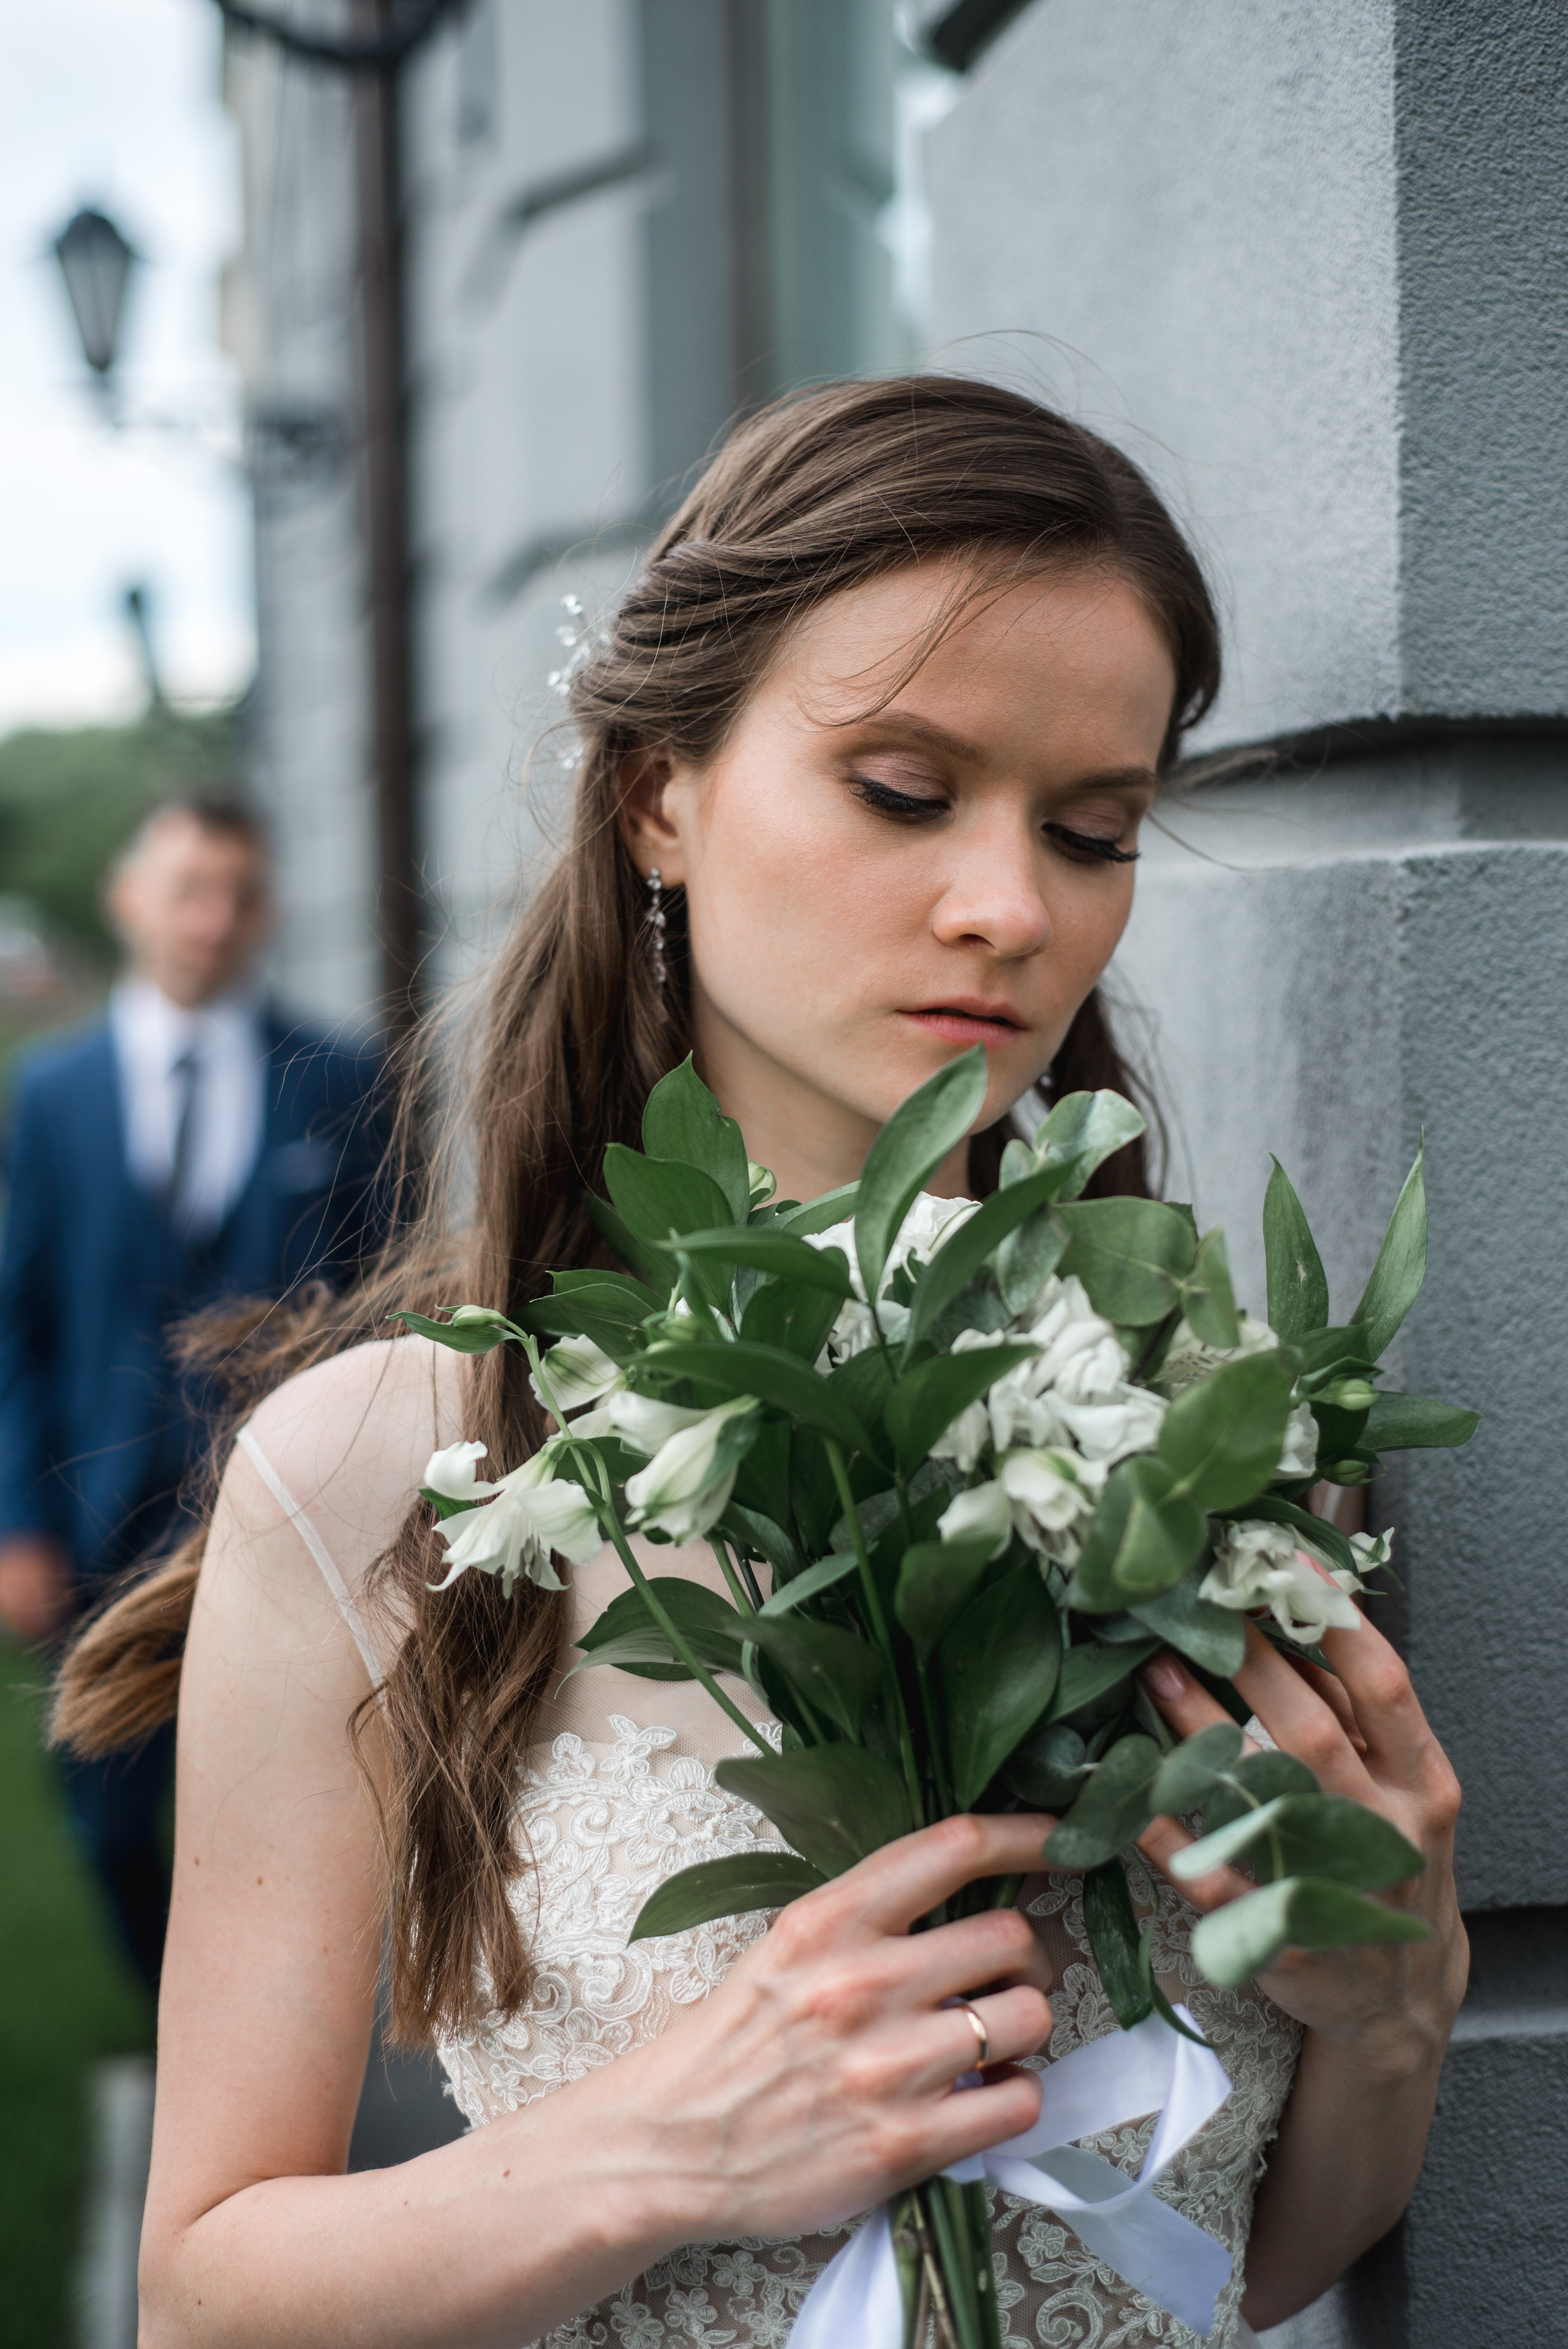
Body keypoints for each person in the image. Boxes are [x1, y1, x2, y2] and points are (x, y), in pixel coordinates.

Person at [56, 381, 1465, 2347]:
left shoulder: (1222, 1439)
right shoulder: (388, 1468)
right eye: (904, 790)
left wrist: (1393, 2006)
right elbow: (202, 2296)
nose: (1013, 908)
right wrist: (673, 2143)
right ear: (660, 792)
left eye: (1093, 829)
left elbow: (1246, 2257)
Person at [0, 794, 390, 1992]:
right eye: (188, 889)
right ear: (131, 901)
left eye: (238, 893)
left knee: (286, 1811)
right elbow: (18, 1319)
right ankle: (175, 2009)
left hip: (282, 1509)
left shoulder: (338, 1077)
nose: (213, 920)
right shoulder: (49, 1096)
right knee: (112, 1820)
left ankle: (265, 2028)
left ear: (266, 910)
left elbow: (385, 1298)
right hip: (98, 1510)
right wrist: (17, 1520)